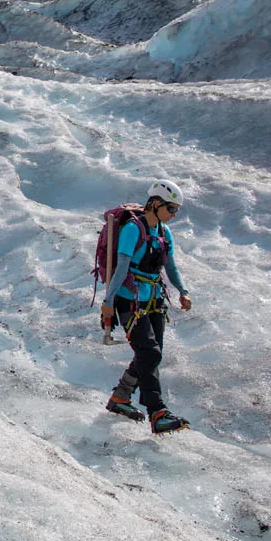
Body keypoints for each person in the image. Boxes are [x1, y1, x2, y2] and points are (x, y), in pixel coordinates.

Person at [100, 179, 194, 435]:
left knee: (150, 354)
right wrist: (108, 302)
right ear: (155, 203)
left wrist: (183, 291)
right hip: (129, 300)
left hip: (153, 300)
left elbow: (171, 267)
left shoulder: (164, 232)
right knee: (150, 353)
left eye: (176, 210)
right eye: (171, 208)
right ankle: (158, 412)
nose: (173, 214)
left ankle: (121, 397)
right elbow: (121, 267)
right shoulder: (133, 228)